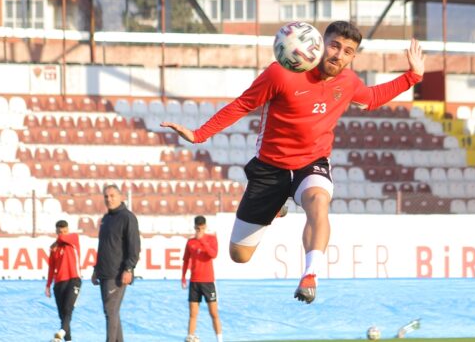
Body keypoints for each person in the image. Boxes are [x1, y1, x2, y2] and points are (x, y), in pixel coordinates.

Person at [161, 21, 425, 304]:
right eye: (335, 46)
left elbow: (371, 98)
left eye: (348, 51)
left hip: (312, 163)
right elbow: (242, 105)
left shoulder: (347, 82)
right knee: (239, 255)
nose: (339, 55)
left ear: (352, 57)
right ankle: (278, 207)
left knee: (318, 201)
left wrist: (413, 76)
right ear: (321, 44)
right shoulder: (280, 73)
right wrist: (200, 134)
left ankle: (310, 274)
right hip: (270, 168)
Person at [91, 184, 141, 342]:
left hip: (118, 273)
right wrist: (96, 269)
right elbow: (103, 246)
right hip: (104, 272)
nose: (109, 199)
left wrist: (129, 268)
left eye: (112, 195)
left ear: (121, 197)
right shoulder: (106, 219)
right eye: (106, 196)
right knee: (112, 313)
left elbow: (134, 246)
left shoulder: (128, 217)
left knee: (110, 311)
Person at [181, 216, 222, 342]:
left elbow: (213, 255)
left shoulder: (211, 239)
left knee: (213, 313)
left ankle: (219, 339)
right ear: (195, 227)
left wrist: (203, 240)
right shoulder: (190, 242)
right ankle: (191, 336)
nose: (200, 230)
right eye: (198, 228)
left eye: (202, 228)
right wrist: (183, 277)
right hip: (194, 282)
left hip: (208, 281)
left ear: (205, 227)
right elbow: (186, 260)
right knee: (193, 313)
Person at [45, 220, 82, 342]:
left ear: (68, 230)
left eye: (65, 231)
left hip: (74, 280)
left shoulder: (73, 239)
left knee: (68, 309)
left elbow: (64, 239)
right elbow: (51, 267)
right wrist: (48, 285)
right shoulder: (54, 248)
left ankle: (60, 334)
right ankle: (68, 339)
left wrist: (56, 241)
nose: (63, 234)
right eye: (60, 232)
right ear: (56, 231)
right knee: (62, 315)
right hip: (59, 283)